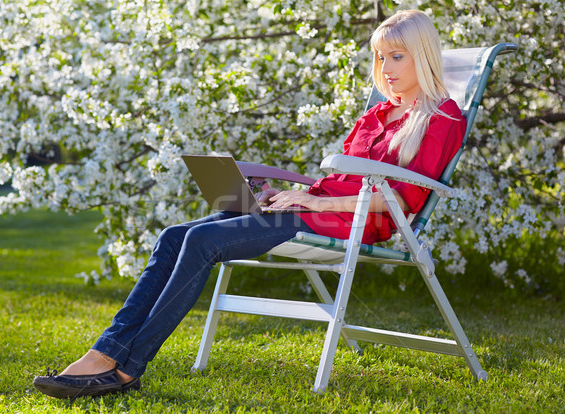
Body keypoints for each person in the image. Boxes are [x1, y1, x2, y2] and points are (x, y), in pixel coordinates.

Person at [33, 9, 466, 399]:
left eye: (397, 57)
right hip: (313, 210)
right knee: (174, 236)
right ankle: (105, 352)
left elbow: (401, 200)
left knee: (203, 241)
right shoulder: (375, 116)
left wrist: (312, 205)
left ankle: (125, 368)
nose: (385, 69)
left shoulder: (442, 117)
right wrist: (292, 194)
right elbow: (337, 178)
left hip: (349, 224)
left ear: (422, 55)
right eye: (380, 58)